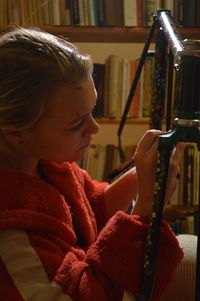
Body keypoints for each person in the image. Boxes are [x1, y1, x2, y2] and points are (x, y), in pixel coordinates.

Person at [0, 27, 184, 301]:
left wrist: (137, 178)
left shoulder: (46, 163)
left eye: (93, 112)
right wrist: (147, 205)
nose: (95, 127)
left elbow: (90, 211)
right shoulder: (11, 236)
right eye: (76, 125)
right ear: (16, 132)